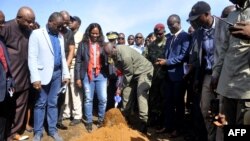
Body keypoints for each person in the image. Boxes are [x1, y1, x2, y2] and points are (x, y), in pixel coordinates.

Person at [28, 12, 70, 141]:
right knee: (40, 103)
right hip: (42, 75)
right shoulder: (36, 34)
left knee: (53, 103)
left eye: (61, 26)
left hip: (57, 75)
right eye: (58, 26)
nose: (60, 29)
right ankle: (38, 132)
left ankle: (52, 130)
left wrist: (66, 73)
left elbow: (62, 57)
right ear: (50, 22)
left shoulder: (60, 36)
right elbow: (32, 57)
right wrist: (35, 77)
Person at [211, 0, 250, 129]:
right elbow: (224, 48)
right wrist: (216, 73)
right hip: (227, 84)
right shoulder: (232, 16)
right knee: (229, 127)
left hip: (246, 87)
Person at [0, 6, 35, 141]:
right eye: (28, 21)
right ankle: (5, 134)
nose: (30, 24)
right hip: (9, 79)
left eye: (32, 21)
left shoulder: (29, 31)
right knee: (7, 109)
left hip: (24, 76)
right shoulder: (6, 27)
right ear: (18, 18)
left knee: (21, 107)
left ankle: (14, 133)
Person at [103, 42, 154, 134]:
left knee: (140, 92)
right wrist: (120, 86)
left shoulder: (124, 55)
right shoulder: (113, 54)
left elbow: (128, 74)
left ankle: (143, 122)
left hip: (144, 71)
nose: (109, 55)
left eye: (110, 53)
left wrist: (120, 87)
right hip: (131, 73)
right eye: (108, 54)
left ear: (114, 48)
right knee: (126, 93)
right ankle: (125, 118)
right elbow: (122, 72)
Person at [157, 14, 190, 137]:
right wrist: (163, 60)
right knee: (168, 102)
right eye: (168, 25)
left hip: (179, 76)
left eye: (172, 24)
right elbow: (169, 54)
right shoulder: (169, 38)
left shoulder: (185, 37)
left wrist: (167, 62)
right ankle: (168, 126)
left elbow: (183, 56)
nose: (170, 27)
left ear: (179, 23)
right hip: (168, 76)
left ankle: (178, 129)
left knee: (179, 103)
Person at [75, 23, 109, 133]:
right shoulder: (83, 44)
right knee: (88, 98)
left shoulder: (103, 44)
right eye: (93, 33)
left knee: (103, 99)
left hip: (101, 74)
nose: (95, 35)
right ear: (89, 32)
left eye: (97, 33)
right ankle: (89, 121)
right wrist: (78, 77)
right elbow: (78, 61)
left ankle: (100, 120)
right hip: (87, 74)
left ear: (100, 34)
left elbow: (109, 60)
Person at [144, 23, 167, 129]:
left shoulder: (168, 43)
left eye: (160, 33)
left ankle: (163, 122)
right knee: (153, 99)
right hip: (153, 77)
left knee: (164, 99)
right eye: (156, 33)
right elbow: (145, 60)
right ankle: (152, 120)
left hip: (166, 77)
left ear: (164, 32)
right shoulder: (150, 46)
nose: (158, 35)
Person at [56, 10, 75, 130]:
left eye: (68, 23)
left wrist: (66, 67)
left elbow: (71, 50)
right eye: (64, 22)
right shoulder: (53, 31)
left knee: (62, 96)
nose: (66, 25)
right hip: (52, 69)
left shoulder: (69, 33)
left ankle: (58, 120)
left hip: (64, 69)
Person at [65, 15, 83, 126]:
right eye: (70, 20)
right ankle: (67, 113)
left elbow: (81, 54)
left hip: (75, 67)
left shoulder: (81, 36)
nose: (70, 22)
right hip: (65, 67)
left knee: (75, 92)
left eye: (73, 21)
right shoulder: (66, 33)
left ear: (78, 24)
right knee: (66, 91)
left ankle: (77, 115)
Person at [0, 10, 15, 141]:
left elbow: (6, 63)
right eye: (0, 22)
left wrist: (10, 81)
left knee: (3, 119)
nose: (3, 25)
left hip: (4, 88)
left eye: (3, 22)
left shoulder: (1, 40)